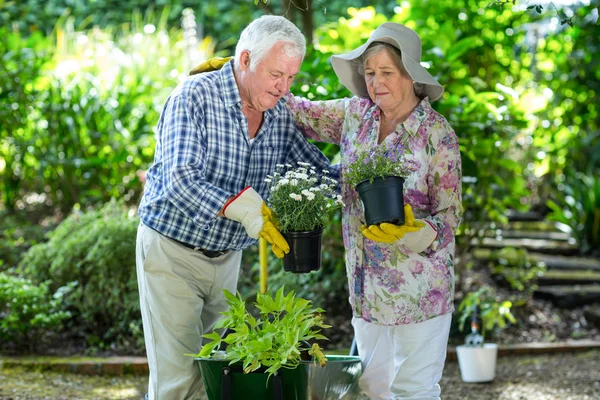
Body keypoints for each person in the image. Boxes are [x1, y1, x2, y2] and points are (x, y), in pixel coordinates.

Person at [135, 15, 335, 399]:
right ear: (245, 60)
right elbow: (179, 180)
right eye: (277, 74)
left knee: (216, 375)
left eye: (292, 77)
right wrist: (235, 206)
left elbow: (315, 170)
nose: (284, 87)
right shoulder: (193, 96)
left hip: (226, 259)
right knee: (179, 379)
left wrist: (367, 180)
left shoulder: (277, 113)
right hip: (171, 251)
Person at [284, 23, 463, 399]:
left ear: (410, 75)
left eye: (386, 72)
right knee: (372, 389)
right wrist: (242, 76)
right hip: (366, 289)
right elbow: (300, 114)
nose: (376, 82)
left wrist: (420, 232)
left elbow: (450, 216)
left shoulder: (436, 135)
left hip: (419, 290)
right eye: (369, 73)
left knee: (414, 390)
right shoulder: (356, 116)